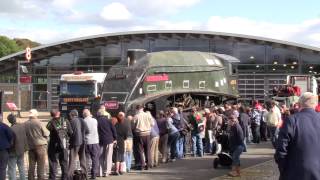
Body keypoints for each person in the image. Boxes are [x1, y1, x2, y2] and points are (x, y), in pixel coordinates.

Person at [275, 92, 320, 180]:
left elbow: (281, 150)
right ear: (316, 104)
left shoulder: (291, 120)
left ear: (299, 104)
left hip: (295, 173)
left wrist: (284, 170)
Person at [47, 109, 73, 180]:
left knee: (53, 163)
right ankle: (64, 177)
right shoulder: (66, 121)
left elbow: (48, 128)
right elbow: (71, 133)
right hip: (64, 144)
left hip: (53, 145)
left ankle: (52, 177)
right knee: (64, 162)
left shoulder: (51, 122)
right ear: (58, 113)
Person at [25, 109, 49, 180]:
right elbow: (46, 133)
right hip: (40, 146)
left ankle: (30, 178)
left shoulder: (25, 124)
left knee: (31, 166)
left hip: (30, 146)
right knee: (40, 166)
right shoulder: (39, 122)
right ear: (36, 115)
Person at [67, 109, 89, 179]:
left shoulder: (71, 121)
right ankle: (85, 175)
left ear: (72, 115)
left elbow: (70, 132)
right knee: (83, 159)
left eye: (70, 115)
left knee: (72, 159)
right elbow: (88, 131)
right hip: (82, 142)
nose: (69, 116)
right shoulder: (82, 120)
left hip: (75, 142)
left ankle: (69, 176)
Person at [132, 105, 154, 170]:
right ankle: (148, 164)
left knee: (140, 150)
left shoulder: (136, 116)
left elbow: (133, 126)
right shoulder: (148, 115)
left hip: (139, 134)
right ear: (142, 108)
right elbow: (153, 124)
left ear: (137, 109)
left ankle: (142, 165)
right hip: (147, 134)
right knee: (147, 150)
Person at [7, 114, 28, 180]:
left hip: (13, 151)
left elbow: (11, 142)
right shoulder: (22, 126)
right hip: (21, 150)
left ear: (9, 121)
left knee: (12, 169)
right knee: (21, 167)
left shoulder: (10, 129)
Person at [97, 109, 117, 177]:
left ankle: (100, 172)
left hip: (101, 141)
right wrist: (115, 138)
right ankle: (107, 172)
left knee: (100, 157)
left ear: (99, 114)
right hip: (109, 140)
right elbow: (113, 130)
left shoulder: (97, 121)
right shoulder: (108, 120)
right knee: (108, 157)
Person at [83, 109, 100, 179]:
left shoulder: (83, 121)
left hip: (87, 142)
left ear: (84, 114)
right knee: (95, 159)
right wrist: (90, 116)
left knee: (86, 159)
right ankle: (94, 174)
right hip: (95, 142)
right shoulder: (95, 120)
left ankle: (85, 174)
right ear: (90, 114)